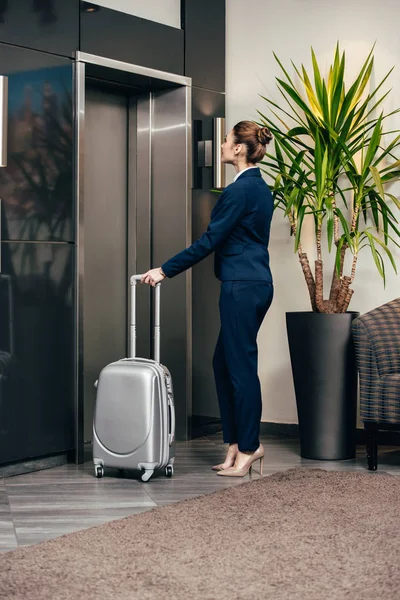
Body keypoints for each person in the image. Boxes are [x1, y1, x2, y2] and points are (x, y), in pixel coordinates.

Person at [141, 120, 274, 477]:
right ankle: (235, 443)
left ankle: (249, 447)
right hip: (254, 283)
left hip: (241, 287)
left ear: (239, 149)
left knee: (241, 368)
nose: (222, 145)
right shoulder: (261, 188)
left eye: (227, 140)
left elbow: (209, 241)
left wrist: (165, 269)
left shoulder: (239, 192)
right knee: (224, 363)